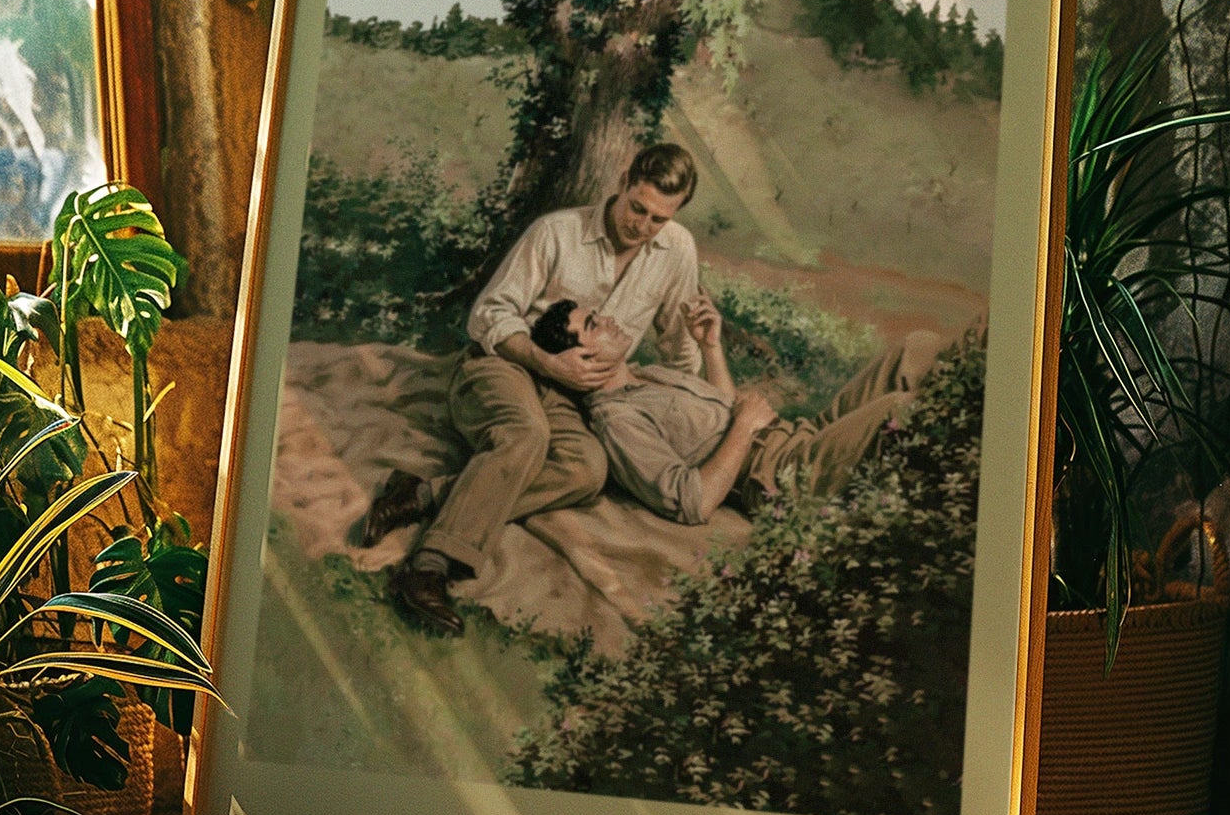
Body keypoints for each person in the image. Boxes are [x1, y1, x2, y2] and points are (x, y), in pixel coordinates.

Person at [361, 142, 705, 633]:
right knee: (526, 436)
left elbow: (678, 350)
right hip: (506, 364)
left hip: (574, 398)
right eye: (638, 208)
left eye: (658, 219)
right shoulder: (557, 232)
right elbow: (489, 314)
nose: (642, 227)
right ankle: (426, 568)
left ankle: (424, 495)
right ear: (623, 180)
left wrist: (693, 388)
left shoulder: (677, 251)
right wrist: (545, 360)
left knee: (588, 469)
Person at [527, 292, 941, 525]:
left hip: (800, 435)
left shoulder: (645, 374)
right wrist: (745, 428)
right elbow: (692, 502)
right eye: (593, 325)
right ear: (577, 357)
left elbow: (724, 408)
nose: (610, 321)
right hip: (781, 475)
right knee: (901, 407)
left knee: (918, 348)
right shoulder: (616, 419)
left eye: (598, 314)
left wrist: (711, 346)